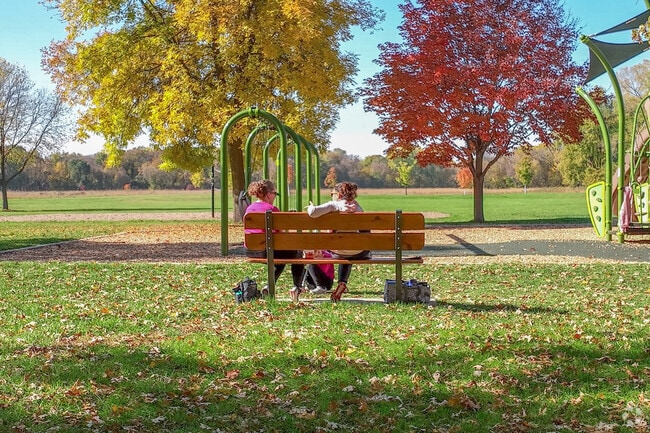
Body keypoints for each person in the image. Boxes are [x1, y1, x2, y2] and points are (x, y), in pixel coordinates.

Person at [306, 181, 370, 302]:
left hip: (338, 250)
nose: (332, 196)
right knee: (349, 248)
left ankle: (318, 283)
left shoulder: (334, 205)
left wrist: (310, 207)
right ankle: (342, 282)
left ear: (339, 195)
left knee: (342, 249)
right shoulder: (358, 208)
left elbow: (313, 213)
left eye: (333, 193)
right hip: (359, 251)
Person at [244, 179, 305, 302]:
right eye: (275, 194)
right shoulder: (272, 209)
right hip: (269, 250)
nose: (275, 196)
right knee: (298, 253)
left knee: (279, 261)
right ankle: (297, 287)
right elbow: (280, 234)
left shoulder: (249, 209)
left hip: (251, 250)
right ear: (269, 194)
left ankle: (268, 286)